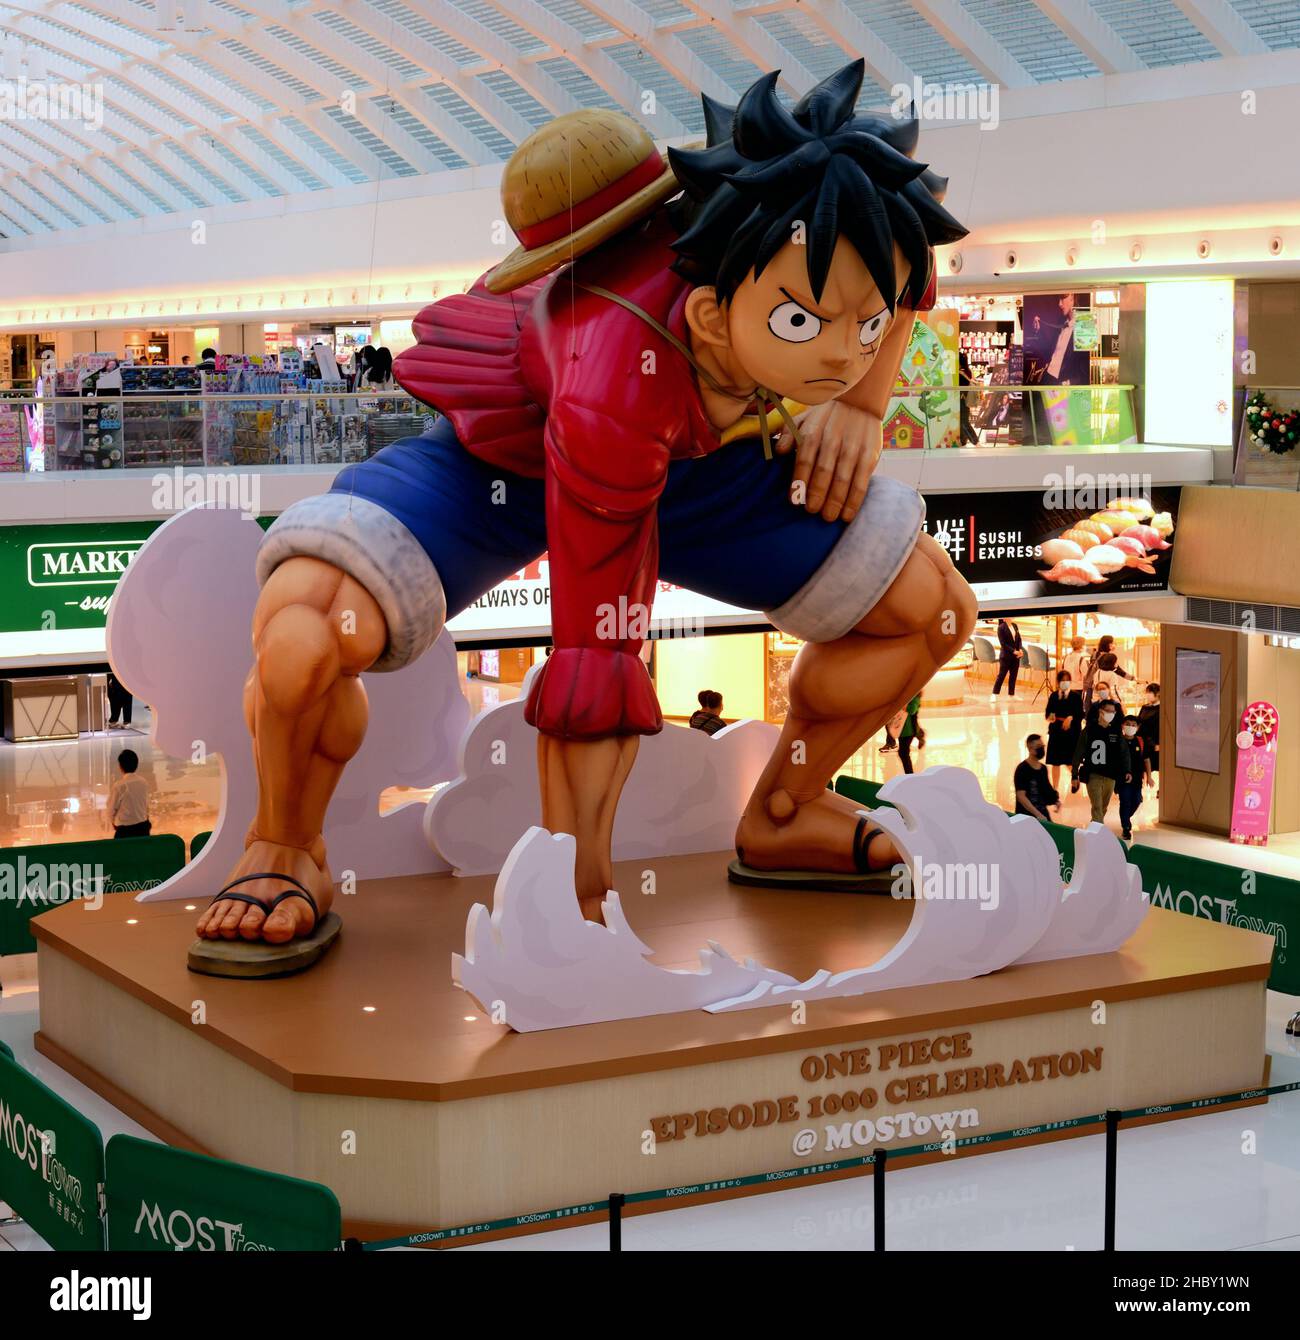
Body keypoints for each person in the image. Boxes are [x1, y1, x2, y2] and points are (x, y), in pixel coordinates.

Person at [198, 61, 975, 948]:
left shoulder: (823, 225)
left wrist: (864, 403)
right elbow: (594, 658)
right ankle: (284, 846)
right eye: (805, 324)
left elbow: (905, 275)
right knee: (303, 637)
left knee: (932, 609)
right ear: (717, 318)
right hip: (513, 458)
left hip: (709, 464)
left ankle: (787, 813)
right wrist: (582, 913)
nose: (843, 352)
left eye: (864, 328)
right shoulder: (617, 370)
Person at [1073, 700, 1132, 826]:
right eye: (1108, 711)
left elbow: (1124, 752)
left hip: (1111, 776)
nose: (1111, 714)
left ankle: (1093, 829)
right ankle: (1096, 837)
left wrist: (1127, 770)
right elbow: (1078, 753)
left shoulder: (1116, 732)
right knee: (1097, 808)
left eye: (1113, 712)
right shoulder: (1089, 730)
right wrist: (1074, 775)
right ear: (1101, 711)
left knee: (1102, 808)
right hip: (1093, 775)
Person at [1044, 668, 1082, 794]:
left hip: (1071, 733)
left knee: (1069, 761)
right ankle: (1055, 788)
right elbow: (1047, 713)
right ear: (1058, 682)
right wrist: (1051, 716)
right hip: (1056, 731)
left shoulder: (1076, 696)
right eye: (1062, 680)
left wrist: (1071, 718)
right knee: (1055, 762)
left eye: (1067, 680)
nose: (1065, 682)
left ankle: (1075, 779)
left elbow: (1080, 714)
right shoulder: (1054, 696)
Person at [1014, 733, 1059, 822]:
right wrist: (1037, 814)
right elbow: (1021, 796)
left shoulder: (1043, 769)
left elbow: (1046, 788)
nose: (1042, 748)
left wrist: (1055, 800)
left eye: (1042, 745)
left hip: (1043, 815)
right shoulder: (1022, 769)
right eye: (1038, 746)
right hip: (1026, 817)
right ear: (1030, 749)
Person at [1116, 714, 1146, 840]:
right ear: (1122, 725)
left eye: (1133, 725)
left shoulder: (1140, 741)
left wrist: (1148, 776)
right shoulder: (1118, 741)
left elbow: (1146, 759)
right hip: (1122, 779)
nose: (1130, 727)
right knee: (1125, 801)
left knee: (1137, 800)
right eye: (1128, 724)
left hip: (1138, 778)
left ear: (1138, 727)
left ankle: (1126, 818)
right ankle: (1126, 827)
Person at [109, 749, 151, 839]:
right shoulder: (143, 782)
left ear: (120, 766)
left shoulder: (119, 785)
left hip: (124, 831)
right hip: (143, 828)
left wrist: (112, 821)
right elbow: (146, 805)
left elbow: (112, 808)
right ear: (136, 764)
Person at [991, 617, 1022, 699]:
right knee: (1001, 675)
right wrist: (1013, 651)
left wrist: (1020, 649)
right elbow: (1003, 643)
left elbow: (1019, 639)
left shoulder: (1015, 625)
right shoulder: (1001, 628)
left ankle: (1011, 694)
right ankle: (994, 694)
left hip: (1016, 656)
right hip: (1005, 656)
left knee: (1013, 675)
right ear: (1004, 618)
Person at [1138, 683, 1160, 787]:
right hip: (1143, 740)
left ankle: (1161, 788)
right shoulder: (1145, 707)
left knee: (1158, 765)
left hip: (1155, 740)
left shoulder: (1161, 708)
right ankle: (1141, 785)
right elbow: (1139, 722)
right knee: (1142, 764)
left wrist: (1158, 743)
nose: (1148, 695)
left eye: (1150, 692)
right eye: (1147, 692)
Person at [897, 693, 924, 774]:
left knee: (903, 753)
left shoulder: (915, 697)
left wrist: (902, 706)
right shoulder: (907, 695)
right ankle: (909, 774)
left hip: (908, 731)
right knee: (903, 753)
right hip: (902, 730)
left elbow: (912, 710)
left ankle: (909, 774)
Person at [957, 351, 978, 446]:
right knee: (963, 420)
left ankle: (975, 441)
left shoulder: (960, 373)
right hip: (965, 399)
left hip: (961, 399)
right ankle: (963, 440)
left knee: (963, 421)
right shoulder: (968, 371)